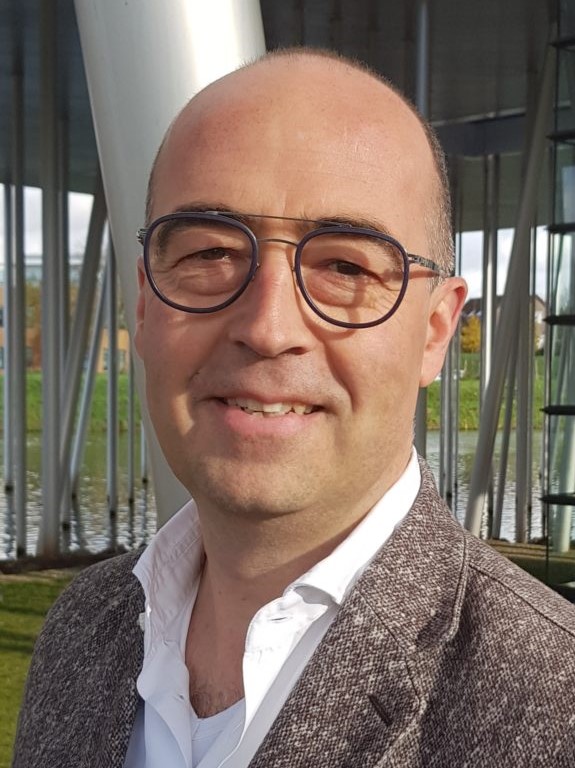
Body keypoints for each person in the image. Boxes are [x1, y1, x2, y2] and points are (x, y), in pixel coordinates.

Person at [12, 48, 575, 768]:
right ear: (146, 306)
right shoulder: (84, 627)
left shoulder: (553, 706)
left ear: (435, 331)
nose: (268, 327)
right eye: (210, 254)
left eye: (345, 265)